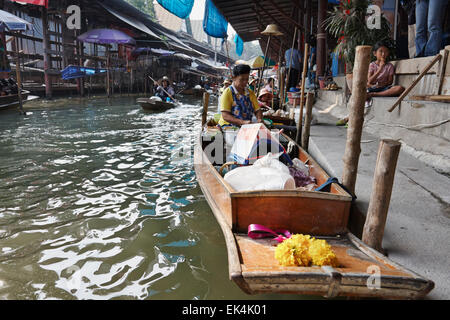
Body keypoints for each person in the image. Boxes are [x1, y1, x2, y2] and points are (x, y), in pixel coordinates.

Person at [336, 42, 404, 125]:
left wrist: (381, 84)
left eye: (386, 52)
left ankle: (374, 94)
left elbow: (390, 81)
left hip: (382, 88)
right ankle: (349, 118)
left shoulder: (389, 66)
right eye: (381, 51)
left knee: (400, 89)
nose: (383, 54)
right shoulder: (372, 65)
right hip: (371, 87)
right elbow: (370, 81)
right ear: (375, 53)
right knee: (361, 97)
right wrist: (380, 69)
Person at [218, 64, 263, 128]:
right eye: (242, 79)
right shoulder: (228, 92)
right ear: (234, 78)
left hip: (246, 126)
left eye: (247, 79)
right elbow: (225, 115)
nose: (245, 82)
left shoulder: (250, 93)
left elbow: (258, 110)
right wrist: (242, 122)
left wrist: (259, 119)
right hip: (228, 126)